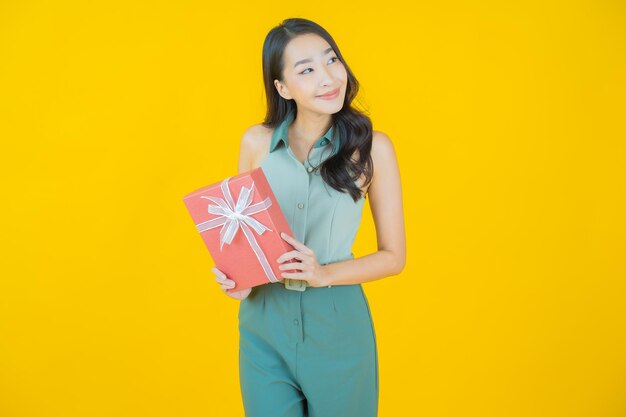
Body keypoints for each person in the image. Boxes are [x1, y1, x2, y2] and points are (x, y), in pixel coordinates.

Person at [212, 17, 405, 417]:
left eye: (331, 59)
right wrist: (238, 282)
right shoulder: (255, 143)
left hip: (336, 325)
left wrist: (324, 274)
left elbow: (394, 256)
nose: (329, 77)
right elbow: (245, 239)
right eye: (307, 70)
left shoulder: (373, 149)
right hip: (263, 326)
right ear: (283, 88)